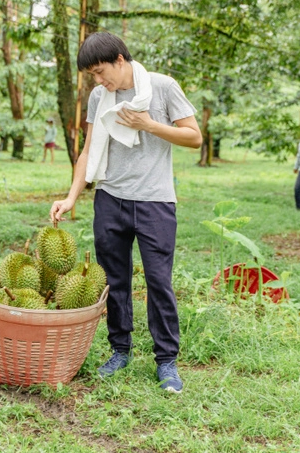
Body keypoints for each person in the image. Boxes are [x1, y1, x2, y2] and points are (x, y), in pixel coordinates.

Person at [50, 32, 202, 394]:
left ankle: (166, 361)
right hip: (110, 199)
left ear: (120, 59)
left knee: (158, 282)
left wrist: (148, 125)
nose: (99, 82)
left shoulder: (162, 87)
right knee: (114, 280)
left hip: (155, 201)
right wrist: (71, 197)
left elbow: (194, 137)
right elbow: (88, 152)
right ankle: (120, 350)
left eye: (102, 72)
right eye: (93, 77)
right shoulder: (100, 97)